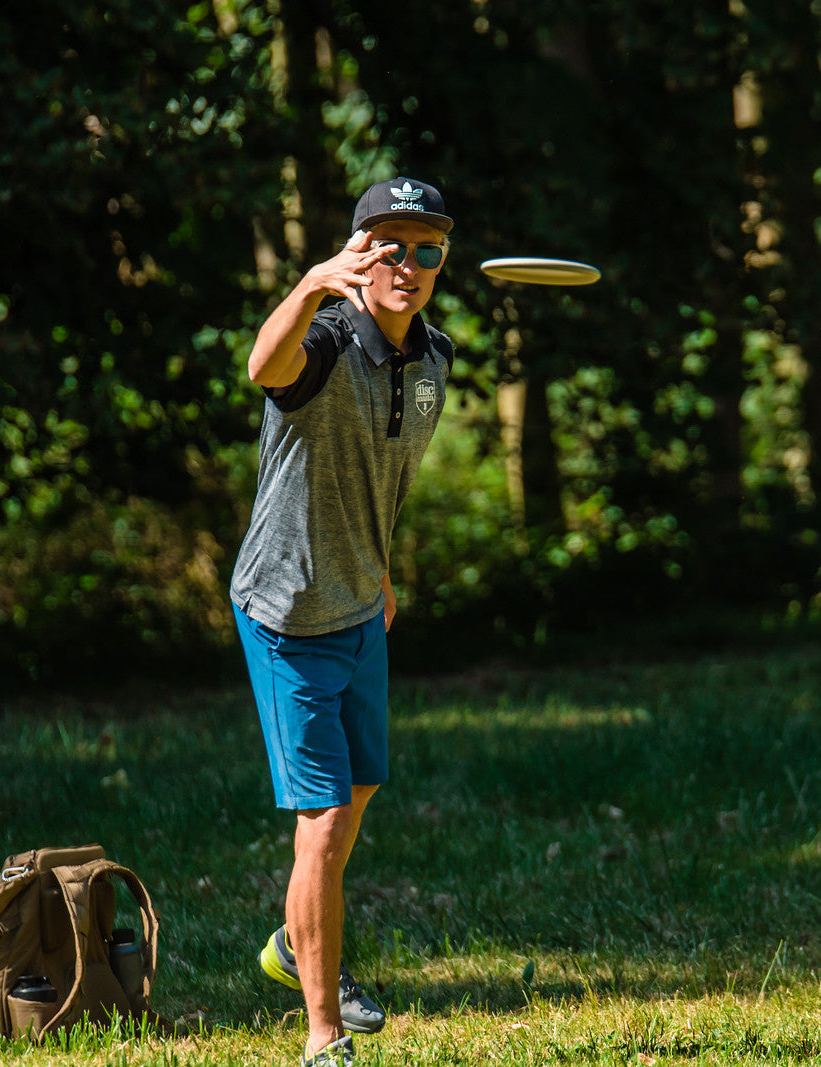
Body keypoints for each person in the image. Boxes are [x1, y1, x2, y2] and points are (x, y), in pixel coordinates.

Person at [229, 176, 457, 1066]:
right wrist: (314, 283)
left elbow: (380, 471)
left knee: (360, 790)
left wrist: (382, 566)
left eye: (426, 248)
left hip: (361, 603)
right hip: (287, 612)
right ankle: (323, 1036)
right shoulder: (321, 342)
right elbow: (261, 368)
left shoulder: (434, 357)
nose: (406, 263)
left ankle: (294, 944)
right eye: (387, 245)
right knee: (322, 819)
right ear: (358, 252)